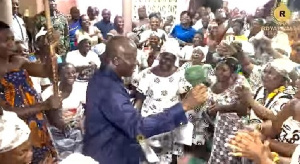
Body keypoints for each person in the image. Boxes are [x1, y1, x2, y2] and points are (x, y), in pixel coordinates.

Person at [82, 36, 208, 164]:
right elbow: (137, 128)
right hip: (109, 156)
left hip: (117, 148)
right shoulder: (108, 88)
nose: (136, 62)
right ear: (116, 60)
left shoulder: (106, 78)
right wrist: (184, 106)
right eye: (131, 58)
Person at [0, 21, 62, 164]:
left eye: (12, 39)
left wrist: (47, 49)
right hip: (16, 138)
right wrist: (44, 106)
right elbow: (8, 113)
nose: (11, 44)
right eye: (5, 40)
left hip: (38, 127)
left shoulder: (18, 61)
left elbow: (47, 71)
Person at [42, 63, 87, 160]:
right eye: (67, 73)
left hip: (78, 130)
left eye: (73, 72)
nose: (71, 75)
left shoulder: (80, 88)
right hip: (58, 134)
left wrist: (83, 121)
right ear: (58, 76)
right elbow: (50, 119)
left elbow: (88, 108)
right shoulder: (48, 93)